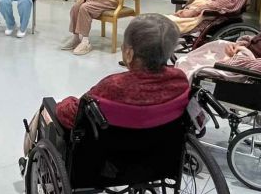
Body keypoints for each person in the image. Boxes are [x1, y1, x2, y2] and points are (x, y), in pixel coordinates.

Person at [25, 14, 190, 155]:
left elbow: (73, 116)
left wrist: (65, 103)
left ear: (129, 53)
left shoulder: (114, 86)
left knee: (48, 109)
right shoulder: (179, 80)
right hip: (157, 153)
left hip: (109, 159)